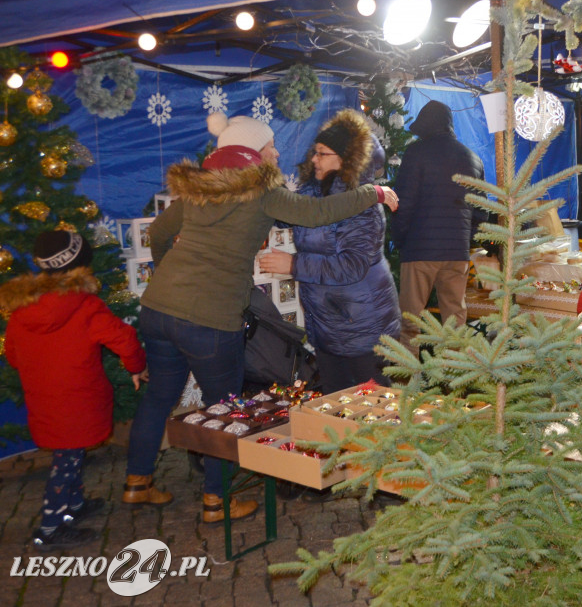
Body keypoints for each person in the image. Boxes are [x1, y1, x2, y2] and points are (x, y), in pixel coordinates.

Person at [123, 111, 398, 523]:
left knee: (160, 395)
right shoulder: (262, 192)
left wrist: (167, 275)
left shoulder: (200, 190)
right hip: (211, 318)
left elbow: (160, 233)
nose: (277, 152)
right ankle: (218, 500)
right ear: (251, 153)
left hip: (159, 309)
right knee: (225, 408)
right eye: (269, 146)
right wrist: (374, 192)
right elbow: (317, 214)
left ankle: (136, 483)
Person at [0, 231, 147, 551]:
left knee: (71, 452)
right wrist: (136, 367)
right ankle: (50, 527)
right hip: (80, 399)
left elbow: (12, 355)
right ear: (80, 265)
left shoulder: (22, 308)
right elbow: (125, 339)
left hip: (45, 399)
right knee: (65, 462)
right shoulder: (85, 306)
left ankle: (73, 506)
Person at [258, 109, 400, 391]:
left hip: (363, 327)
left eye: (322, 153)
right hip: (328, 325)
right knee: (336, 408)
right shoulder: (313, 193)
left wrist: (294, 265)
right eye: (315, 152)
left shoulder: (362, 204)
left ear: (346, 159)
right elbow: (284, 213)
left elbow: (351, 266)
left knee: (375, 408)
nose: (314, 159)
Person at [391, 100, 485, 349]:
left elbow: (403, 203)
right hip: (457, 253)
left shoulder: (416, 153)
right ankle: (456, 380)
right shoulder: (472, 158)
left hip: (420, 250)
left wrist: (400, 240)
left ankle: (406, 382)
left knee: (411, 322)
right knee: (455, 322)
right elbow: (482, 211)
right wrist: (466, 239)